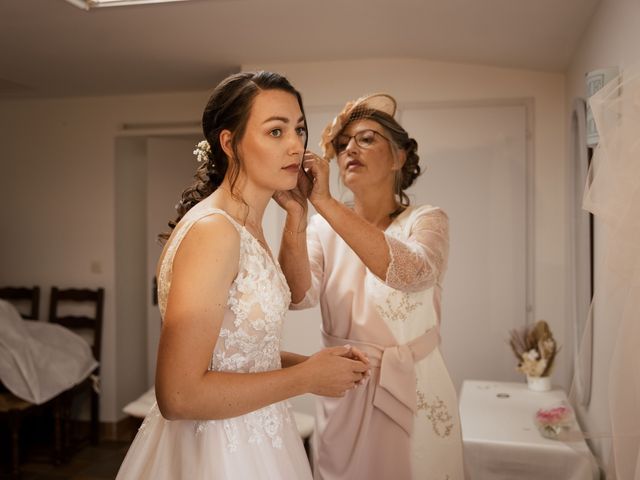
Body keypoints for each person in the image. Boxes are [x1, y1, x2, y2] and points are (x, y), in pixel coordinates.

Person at [116, 71, 369, 480]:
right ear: (230, 143)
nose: (295, 145)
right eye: (275, 131)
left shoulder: (246, 224)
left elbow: (243, 347)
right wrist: (306, 377)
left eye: (299, 129)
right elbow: (178, 395)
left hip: (256, 435)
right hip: (217, 453)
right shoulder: (215, 231)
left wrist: (297, 215)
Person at [276, 93, 465, 479]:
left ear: (398, 157)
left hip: (417, 387)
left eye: (366, 139)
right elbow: (298, 295)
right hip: (344, 388)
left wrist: (326, 201)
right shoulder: (320, 227)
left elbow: (410, 273)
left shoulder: (428, 221)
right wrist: (298, 216)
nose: (350, 150)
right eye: (342, 144)